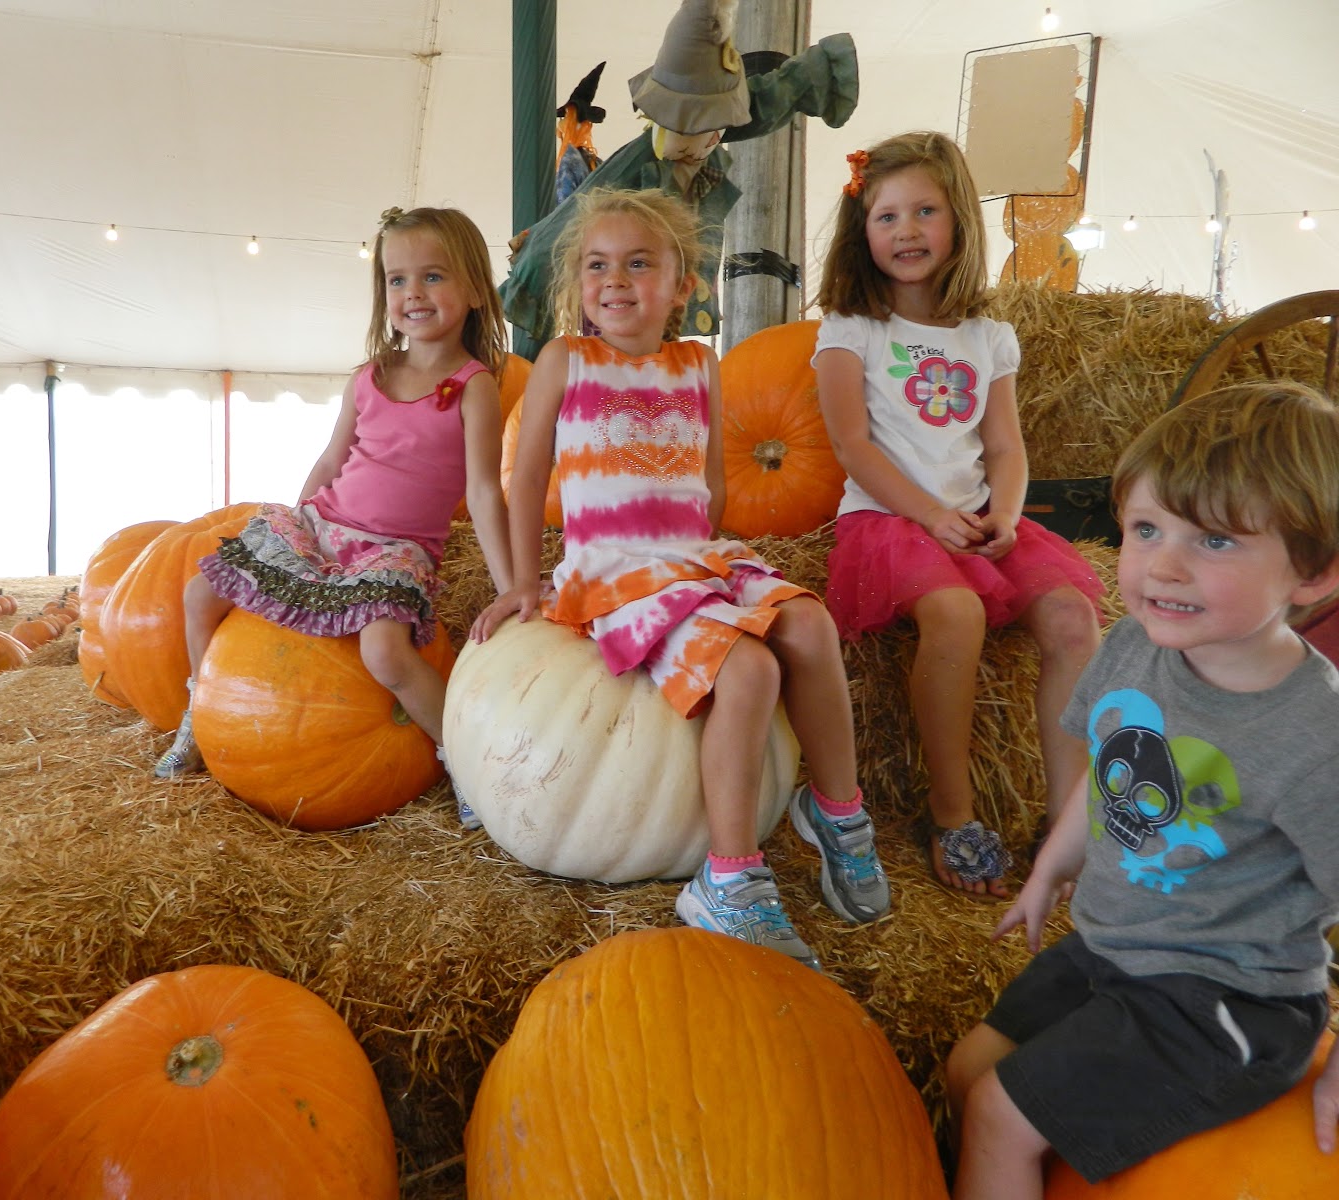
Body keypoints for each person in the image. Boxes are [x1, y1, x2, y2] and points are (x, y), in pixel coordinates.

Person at [471, 186, 888, 970]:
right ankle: (728, 878)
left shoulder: (700, 365)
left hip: (694, 560)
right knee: (751, 665)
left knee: (809, 624)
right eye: (598, 265)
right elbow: (525, 480)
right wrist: (523, 581)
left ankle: (838, 811)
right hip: (615, 574)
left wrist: (704, 552)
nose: (616, 280)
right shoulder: (568, 359)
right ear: (578, 284)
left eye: (639, 263)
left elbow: (713, 487)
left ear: (682, 282)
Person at [945, 381, 1339, 1196]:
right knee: (965, 1070)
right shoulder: (1137, 646)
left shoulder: (1317, 739)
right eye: (1147, 528)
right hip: (1113, 949)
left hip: (1226, 1001)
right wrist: (1054, 866)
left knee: (994, 1112)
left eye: (1216, 542)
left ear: (1312, 573)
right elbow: (1109, 774)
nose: (1163, 564)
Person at [812, 130, 1105, 898]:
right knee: (956, 612)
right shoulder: (851, 330)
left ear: (958, 222)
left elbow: (1005, 447)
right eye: (886, 216)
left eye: (925, 211)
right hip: (887, 518)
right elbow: (852, 445)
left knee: (1075, 619)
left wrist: (1004, 513)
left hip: (977, 516)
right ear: (861, 230)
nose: (906, 230)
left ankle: (1065, 822)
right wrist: (932, 516)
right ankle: (953, 816)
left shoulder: (988, 336)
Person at [155, 205, 514, 813]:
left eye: (433, 276)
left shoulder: (474, 386)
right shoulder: (368, 377)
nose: (413, 293)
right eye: (397, 280)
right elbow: (330, 461)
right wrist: (297, 529)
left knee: (385, 653)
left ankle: (462, 759)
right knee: (198, 595)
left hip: (395, 549)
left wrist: (510, 589)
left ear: (476, 289)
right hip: (324, 527)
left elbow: (483, 491)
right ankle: (197, 715)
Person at [500, 0, 859, 358]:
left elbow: (763, 104)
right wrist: (533, 277)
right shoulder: (634, 166)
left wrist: (814, 75)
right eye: (687, 129)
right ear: (657, 118)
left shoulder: (705, 149)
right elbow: (563, 231)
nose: (704, 142)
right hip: (619, 320)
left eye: (715, 130)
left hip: (666, 311)